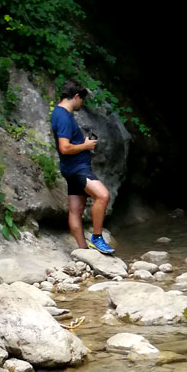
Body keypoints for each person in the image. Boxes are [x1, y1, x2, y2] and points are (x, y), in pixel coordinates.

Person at [50, 81, 115, 255]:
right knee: (103, 195)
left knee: (76, 210)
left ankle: (83, 250)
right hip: (77, 168)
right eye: (82, 100)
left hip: (70, 168)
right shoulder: (64, 117)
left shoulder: (58, 113)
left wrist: (83, 144)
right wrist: (85, 146)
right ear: (76, 96)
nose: (82, 104)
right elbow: (65, 147)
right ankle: (97, 238)